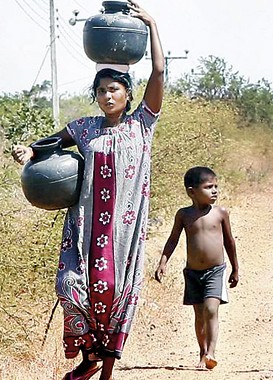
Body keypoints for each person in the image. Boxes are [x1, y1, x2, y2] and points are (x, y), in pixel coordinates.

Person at [10, 1, 162, 379]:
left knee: (113, 290)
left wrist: (151, 25)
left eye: (114, 89)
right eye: (101, 91)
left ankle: (104, 366)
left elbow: (159, 71)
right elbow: (51, 142)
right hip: (85, 227)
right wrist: (29, 149)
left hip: (123, 233)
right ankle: (89, 355)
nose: (108, 96)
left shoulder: (142, 124)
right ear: (95, 96)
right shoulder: (85, 128)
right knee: (71, 287)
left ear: (127, 93)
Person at [154, 166, 239, 370]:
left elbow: (229, 242)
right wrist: (162, 262)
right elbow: (173, 239)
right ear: (191, 191)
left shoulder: (221, 213)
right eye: (209, 187)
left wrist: (235, 268)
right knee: (199, 315)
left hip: (215, 271)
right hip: (192, 273)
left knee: (211, 310)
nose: (215, 191)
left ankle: (211, 352)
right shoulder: (184, 215)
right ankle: (202, 353)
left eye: (216, 186)